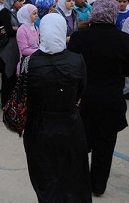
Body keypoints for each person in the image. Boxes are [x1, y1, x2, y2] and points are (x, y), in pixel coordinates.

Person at [69, 0, 129, 196]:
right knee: (105, 146)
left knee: (80, 143)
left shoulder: (79, 37)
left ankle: (79, 182)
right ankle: (97, 186)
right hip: (111, 99)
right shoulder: (124, 39)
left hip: (84, 99)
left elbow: (72, 68)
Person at [24, 13, 91, 203]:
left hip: (39, 127)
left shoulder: (30, 62)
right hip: (70, 125)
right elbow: (80, 90)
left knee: (45, 177)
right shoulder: (77, 60)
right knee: (73, 177)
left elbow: (26, 92)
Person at [0, 0, 24, 108]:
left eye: (22, 0)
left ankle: (13, 103)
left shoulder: (18, 12)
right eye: (19, 1)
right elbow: (8, 30)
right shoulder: (4, 12)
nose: (22, 3)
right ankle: (5, 103)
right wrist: (19, 29)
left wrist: (17, 28)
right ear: (12, 1)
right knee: (8, 75)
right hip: (7, 48)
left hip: (16, 47)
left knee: (15, 77)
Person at [16, 4, 39, 74]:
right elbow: (24, 50)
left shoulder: (36, 27)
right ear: (27, 15)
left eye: (37, 13)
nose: (36, 15)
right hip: (27, 63)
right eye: (34, 13)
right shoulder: (22, 30)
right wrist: (40, 51)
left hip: (36, 61)